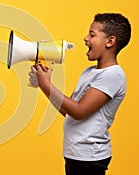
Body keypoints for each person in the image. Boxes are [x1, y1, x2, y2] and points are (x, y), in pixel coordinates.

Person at [29, 13, 131, 175]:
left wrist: (47, 84)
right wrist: (43, 86)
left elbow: (79, 112)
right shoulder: (90, 72)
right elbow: (68, 111)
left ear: (110, 41)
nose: (85, 38)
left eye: (92, 34)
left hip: (89, 158)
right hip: (76, 153)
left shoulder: (112, 75)